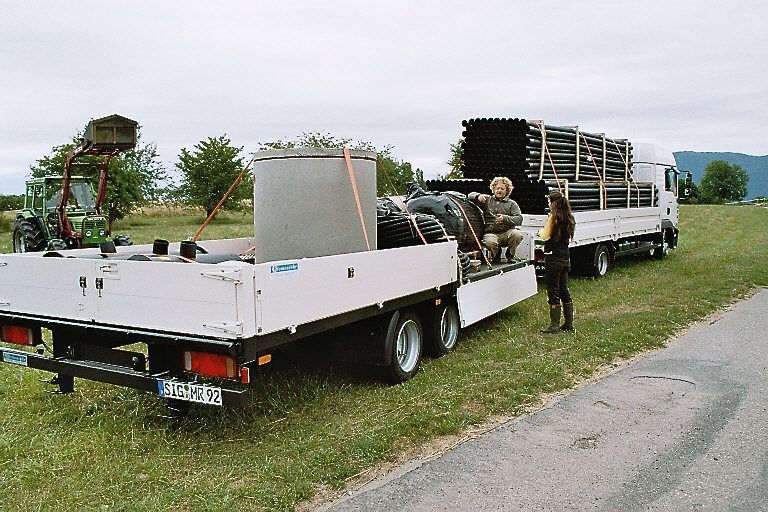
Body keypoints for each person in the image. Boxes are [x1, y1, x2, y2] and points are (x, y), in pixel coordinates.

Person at [538, 190, 576, 333]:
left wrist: (539, 232)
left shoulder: (553, 218)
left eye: (549, 201)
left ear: (553, 203)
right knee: (564, 290)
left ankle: (554, 325)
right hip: (565, 257)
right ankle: (568, 324)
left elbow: (545, 235)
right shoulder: (569, 217)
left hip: (553, 258)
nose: (548, 204)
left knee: (553, 290)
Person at [468, 176, 524, 263]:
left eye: (502, 188)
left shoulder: (512, 204)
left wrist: (505, 218)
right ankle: (496, 254)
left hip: (507, 232)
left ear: (507, 190)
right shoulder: (487, 200)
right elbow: (469, 195)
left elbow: (519, 219)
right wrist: (478, 196)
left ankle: (510, 255)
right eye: (497, 188)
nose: (499, 191)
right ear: (493, 189)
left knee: (517, 234)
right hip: (492, 233)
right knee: (488, 241)